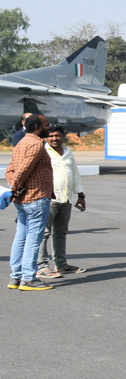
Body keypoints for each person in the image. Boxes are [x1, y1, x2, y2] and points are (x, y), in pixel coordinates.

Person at [6, 114, 55, 291]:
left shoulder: (21, 143)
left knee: (21, 237)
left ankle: (16, 277)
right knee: (33, 239)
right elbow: (23, 170)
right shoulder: (35, 144)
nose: (49, 129)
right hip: (36, 198)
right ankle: (28, 278)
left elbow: (10, 169)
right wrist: (15, 186)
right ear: (37, 127)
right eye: (46, 125)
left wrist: (14, 186)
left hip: (23, 199)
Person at [37, 125, 86, 279]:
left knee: (61, 233)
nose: (54, 138)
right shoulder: (42, 152)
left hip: (65, 198)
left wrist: (81, 195)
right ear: (46, 137)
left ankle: (61, 264)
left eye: (57, 135)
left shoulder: (68, 152)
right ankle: (42, 266)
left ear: (63, 136)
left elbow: (75, 174)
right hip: (48, 198)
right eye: (50, 136)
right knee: (43, 233)